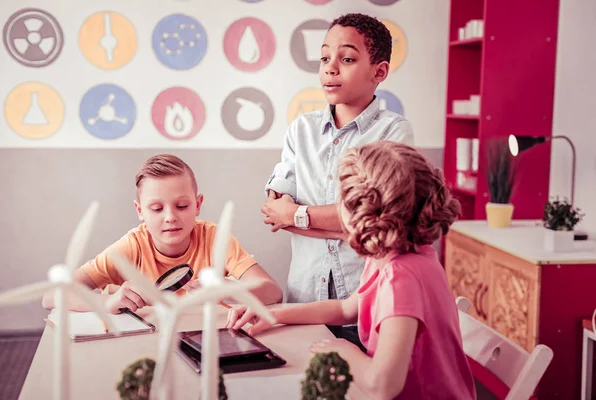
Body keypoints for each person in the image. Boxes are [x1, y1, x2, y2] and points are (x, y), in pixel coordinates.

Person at [230, 142, 476, 400]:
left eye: (342, 202)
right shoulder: (396, 254)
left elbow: (382, 386)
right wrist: (272, 314)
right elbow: (346, 309)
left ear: (365, 214)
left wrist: (345, 351)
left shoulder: (401, 278)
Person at [262, 13, 414, 348]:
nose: (330, 68)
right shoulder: (301, 130)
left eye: (346, 59)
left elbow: (378, 221)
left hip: (366, 302)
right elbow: (275, 212)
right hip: (304, 300)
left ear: (379, 72)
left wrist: (298, 215)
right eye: (325, 58)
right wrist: (345, 225)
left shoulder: (393, 131)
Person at [42, 154, 283, 313]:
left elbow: (273, 293)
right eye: (156, 208)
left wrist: (229, 288)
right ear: (140, 211)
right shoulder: (131, 247)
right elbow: (51, 296)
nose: (170, 217)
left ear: (198, 205)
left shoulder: (215, 239)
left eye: (181, 206)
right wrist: (108, 302)